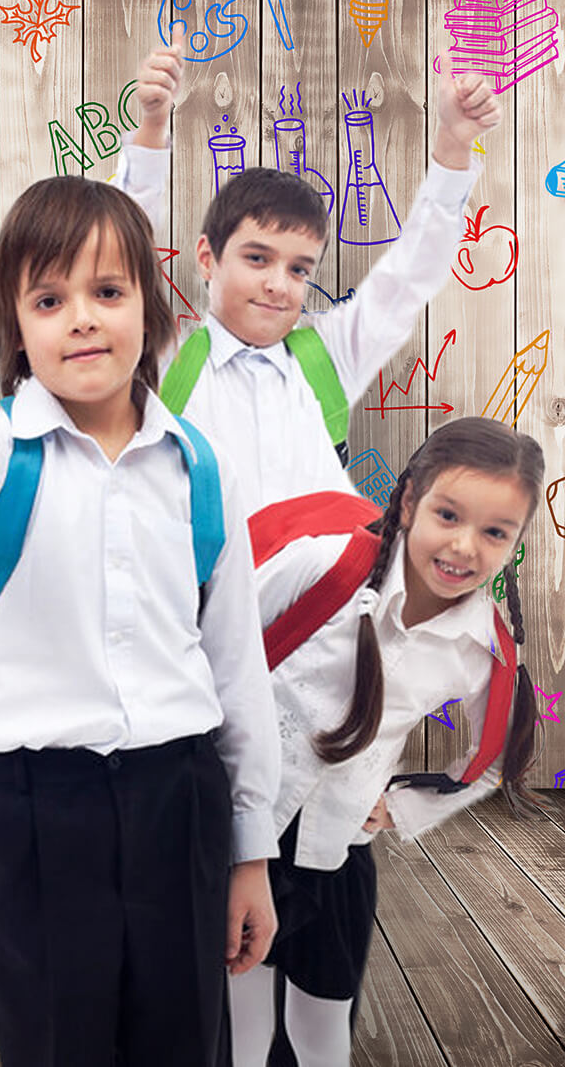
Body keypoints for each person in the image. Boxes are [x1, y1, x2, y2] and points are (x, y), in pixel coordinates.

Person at [0, 175, 280, 1067]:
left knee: (186, 1036)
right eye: (49, 297)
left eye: (108, 292)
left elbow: (235, 669)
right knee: (54, 1040)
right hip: (33, 806)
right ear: (17, 326)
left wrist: (251, 852)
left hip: (180, 799)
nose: (82, 318)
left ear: (152, 308)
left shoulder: (197, 468)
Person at [230, 416, 544, 1067]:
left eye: (494, 531)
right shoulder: (322, 565)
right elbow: (217, 655)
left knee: (324, 1021)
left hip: (335, 853)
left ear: (515, 541)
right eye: (448, 514)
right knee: (242, 1016)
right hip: (242, 838)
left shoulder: (484, 647)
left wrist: (400, 806)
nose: (464, 546)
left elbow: (491, 761)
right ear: (408, 502)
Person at [116, 37, 502, 512]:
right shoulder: (166, 360)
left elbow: (409, 276)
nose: (278, 284)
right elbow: (117, 261)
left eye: (298, 268)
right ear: (207, 258)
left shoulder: (333, 353)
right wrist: (153, 126)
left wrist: (453, 144)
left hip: (319, 584)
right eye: (257, 259)